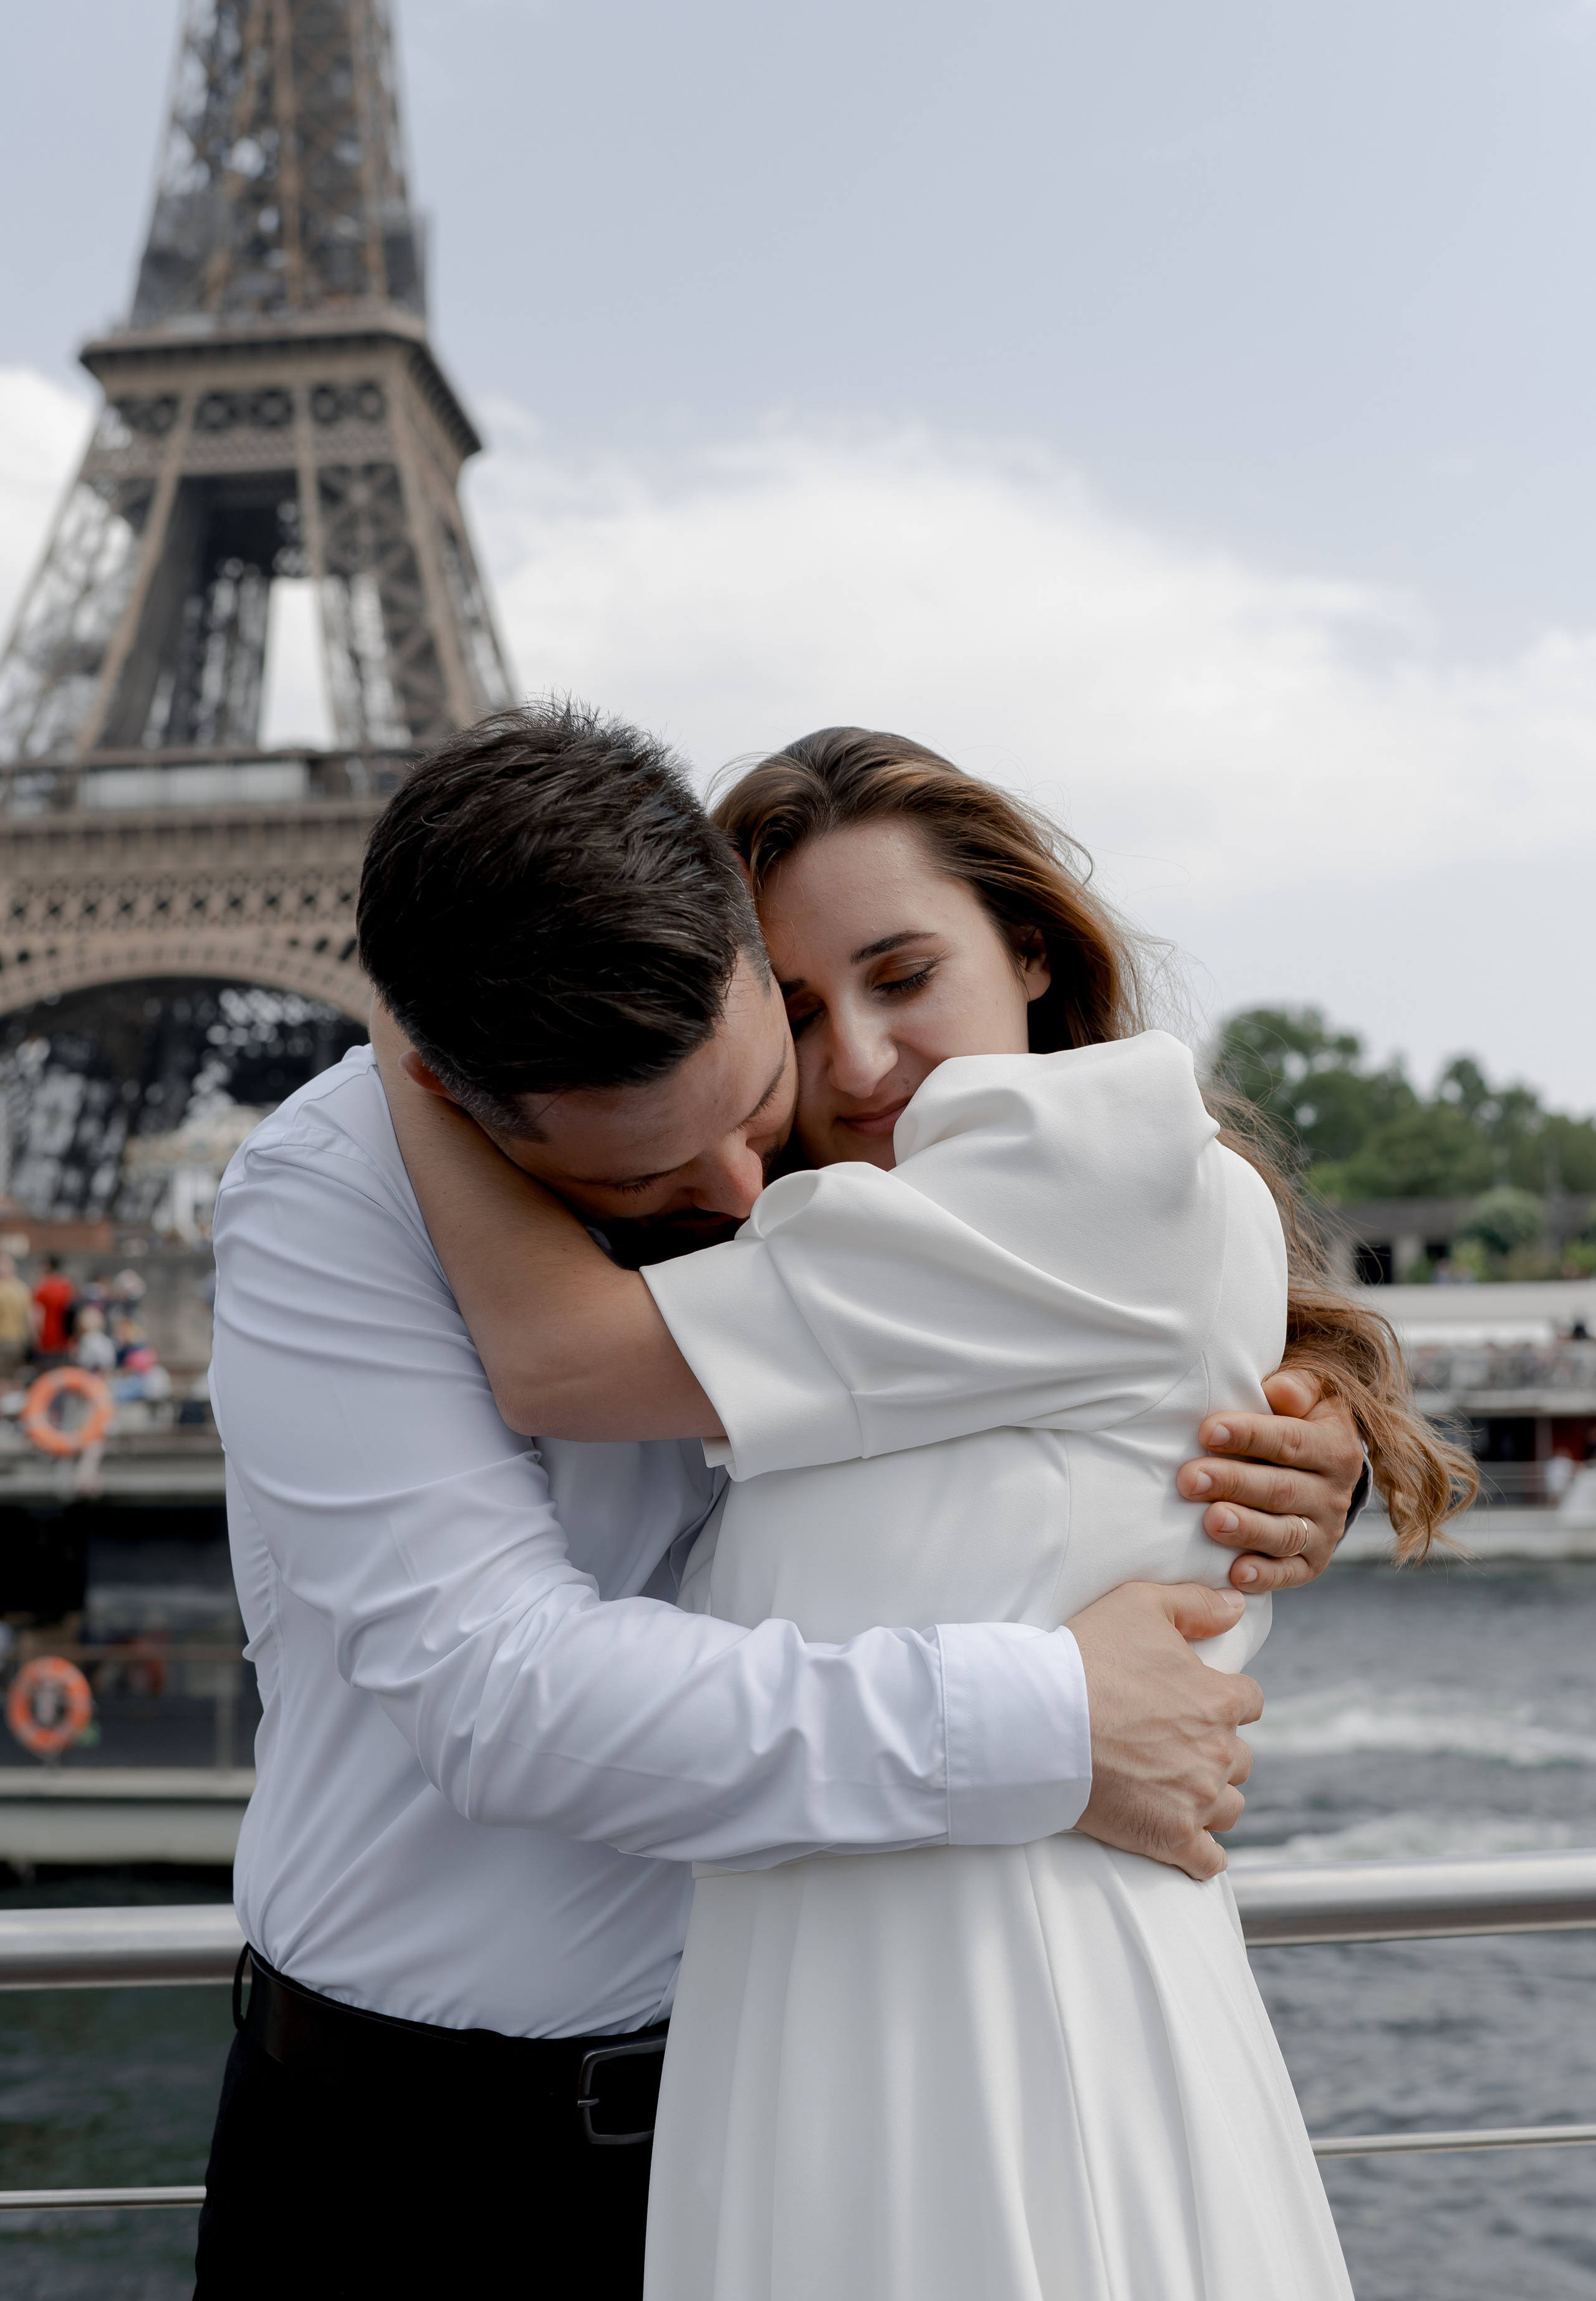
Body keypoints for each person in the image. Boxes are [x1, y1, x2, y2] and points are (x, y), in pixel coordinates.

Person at [196, 709, 1370, 2300]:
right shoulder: (342, 1195)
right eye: (647, 1186)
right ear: (462, 1098)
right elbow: (505, 1694)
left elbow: (1122, 1390)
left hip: (807, 2107)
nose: (746, 1201)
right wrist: (1051, 1720)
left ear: (737, 955)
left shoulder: (896, 1176)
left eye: (756, 1100)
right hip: (425, 2153)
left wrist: (1319, 1449)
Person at [29, 1255, 76, 1363]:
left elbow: (37, 1317)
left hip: (45, 1342)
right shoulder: (67, 1287)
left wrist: (35, 1339)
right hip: (64, 1342)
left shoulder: (41, 1288)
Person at [0, 1255, 32, 1378]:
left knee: (2, 1377)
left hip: (2, 1339)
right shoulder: (22, 1288)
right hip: (19, 1340)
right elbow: (29, 1318)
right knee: (15, 1375)